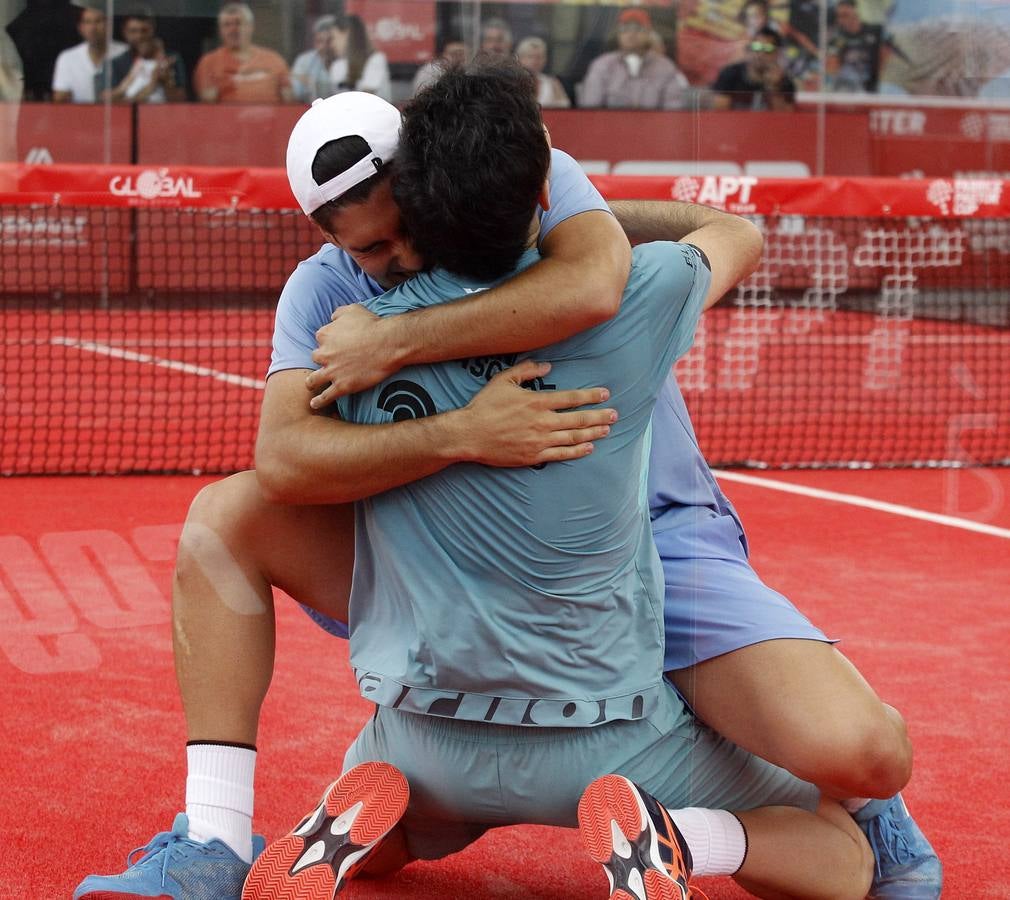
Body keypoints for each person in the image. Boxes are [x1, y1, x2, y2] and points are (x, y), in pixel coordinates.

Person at [73, 77, 940, 900]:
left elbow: (597, 281)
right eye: (368, 248)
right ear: (327, 238)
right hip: (446, 549)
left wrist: (401, 338)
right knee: (224, 516)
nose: (401, 256)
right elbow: (286, 461)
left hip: (662, 537)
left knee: (861, 753)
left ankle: (863, 803)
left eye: (405, 223)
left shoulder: (550, 238)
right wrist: (459, 435)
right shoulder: (326, 290)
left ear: (432, 183)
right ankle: (215, 843)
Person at [580, 7, 689, 110]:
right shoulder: (602, 65)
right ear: (618, 34)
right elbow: (591, 110)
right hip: (611, 128)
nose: (631, 34)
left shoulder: (665, 67)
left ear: (648, 33)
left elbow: (674, 111)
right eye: (625, 29)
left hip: (653, 128)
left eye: (638, 29)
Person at [193, 2, 292, 104]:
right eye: (227, 25)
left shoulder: (274, 60)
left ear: (250, 26)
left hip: (273, 117)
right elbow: (207, 103)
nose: (233, 29)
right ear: (220, 30)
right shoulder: (209, 62)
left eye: (238, 23)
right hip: (227, 118)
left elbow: (289, 100)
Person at [99, 10, 185, 104]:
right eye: (133, 31)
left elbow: (181, 101)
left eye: (144, 31)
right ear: (124, 32)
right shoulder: (115, 63)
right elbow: (105, 102)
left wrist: (166, 82)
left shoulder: (171, 59)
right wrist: (148, 85)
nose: (139, 36)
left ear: (153, 30)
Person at [51, 6, 126, 103]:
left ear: (109, 25)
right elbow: (59, 99)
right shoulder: (67, 58)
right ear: (80, 28)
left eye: (98, 21)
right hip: (80, 115)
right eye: (87, 22)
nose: (93, 28)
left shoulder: (125, 53)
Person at [711, 27, 796, 111]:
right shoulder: (730, 73)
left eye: (768, 49)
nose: (760, 53)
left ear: (777, 54)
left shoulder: (784, 82)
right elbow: (720, 112)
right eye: (756, 47)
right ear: (750, 49)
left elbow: (784, 118)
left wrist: (774, 88)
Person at [825, 0, 885, 93]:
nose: (841, 20)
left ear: (856, 12)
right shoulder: (836, 38)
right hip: (846, 85)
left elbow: (884, 57)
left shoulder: (875, 31)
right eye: (838, 16)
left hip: (870, 85)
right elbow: (831, 66)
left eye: (845, 15)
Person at [328, 13, 390, 102]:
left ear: (347, 34)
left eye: (334, 38)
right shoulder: (337, 65)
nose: (331, 44)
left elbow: (367, 96)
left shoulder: (376, 59)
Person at [290, 15, 337, 103]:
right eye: (319, 41)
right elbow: (296, 94)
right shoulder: (304, 61)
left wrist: (311, 82)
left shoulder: (345, 61)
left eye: (329, 41)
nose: (324, 46)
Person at [516, 36, 570, 108]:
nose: (535, 61)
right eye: (530, 56)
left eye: (539, 57)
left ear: (545, 59)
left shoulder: (552, 83)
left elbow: (565, 108)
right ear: (520, 58)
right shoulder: (513, 83)